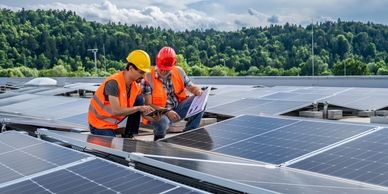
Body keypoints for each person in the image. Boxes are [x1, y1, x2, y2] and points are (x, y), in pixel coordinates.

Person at [141, 47, 205, 141]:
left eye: (166, 69)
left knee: (201, 100)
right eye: (161, 68)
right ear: (157, 63)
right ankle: (159, 138)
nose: (163, 71)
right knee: (163, 122)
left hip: (177, 109)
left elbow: (191, 86)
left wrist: (197, 91)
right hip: (158, 113)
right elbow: (148, 105)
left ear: (173, 66)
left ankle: (189, 133)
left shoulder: (178, 71)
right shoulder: (147, 78)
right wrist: (167, 111)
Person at [88, 50, 155, 138]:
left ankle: (130, 134)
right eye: (141, 72)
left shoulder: (135, 88)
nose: (143, 76)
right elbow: (116, 111)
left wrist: (155, 116)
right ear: (130, 68)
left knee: (139, 100)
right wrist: (139, 108)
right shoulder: (113, 83)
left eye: (144, 73)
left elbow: (142, 113)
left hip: (112, 124)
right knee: (112, 150)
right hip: (99, 123)